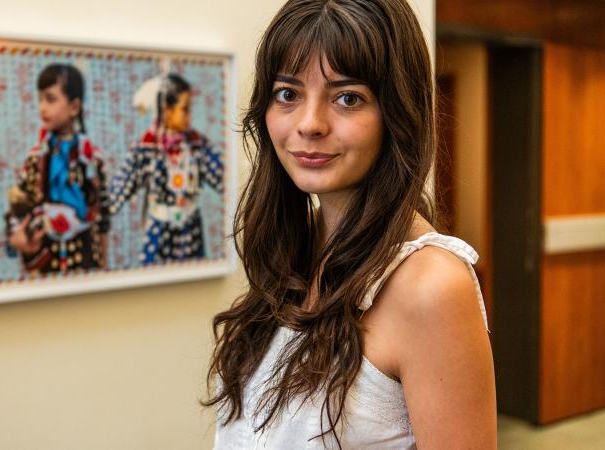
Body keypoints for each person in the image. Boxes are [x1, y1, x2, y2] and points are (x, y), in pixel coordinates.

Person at [203, 1, 496, 448]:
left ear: (397, 114)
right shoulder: (298, 250)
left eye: (347, 98)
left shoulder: (431, 284)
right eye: (288, 93)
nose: (309, 124)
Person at [109, 74, 223, 265]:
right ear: (166, 111)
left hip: (190, 231)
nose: (189, 116)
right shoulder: (147, 147)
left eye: (189, 109)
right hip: (158, 231)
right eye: (184, 109)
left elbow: (224, 177)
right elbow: (122, 184)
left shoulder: (197, 145)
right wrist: (100, 213)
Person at [5, 64, 109, 274]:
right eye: (40, 99)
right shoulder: (36, 157)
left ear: (74, 107)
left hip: (83, 251)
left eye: (50, 99)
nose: (42, 107)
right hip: (46, 252)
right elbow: (19, 203)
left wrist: (104, 260)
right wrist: (17, 235)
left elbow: (103, 212)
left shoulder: (91, 158)